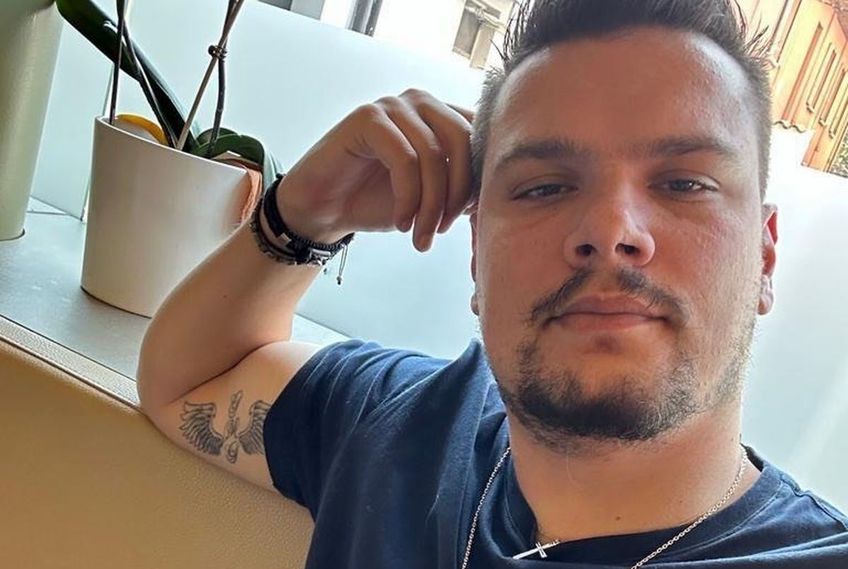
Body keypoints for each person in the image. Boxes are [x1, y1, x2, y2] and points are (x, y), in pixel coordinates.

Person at [136, 0, 848, 567]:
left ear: (765, 255)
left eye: (684, 182)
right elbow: (184, 383)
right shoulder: (406, 424)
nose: (610, 229)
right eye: (545, 186)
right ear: (475, 250)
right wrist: (302, 214)